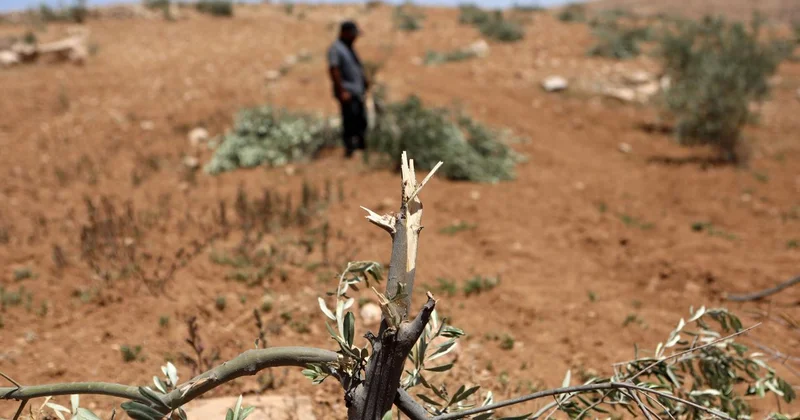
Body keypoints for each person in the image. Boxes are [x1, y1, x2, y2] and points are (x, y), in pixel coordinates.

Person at [327, 20, 370, 158]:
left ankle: (361, 148)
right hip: (347, 91)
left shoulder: (349, 48)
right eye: (352, 34)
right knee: (350, 121)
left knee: (361, 120)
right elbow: (334, 69)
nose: (355, 37)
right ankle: (350, 150)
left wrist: (364, 81)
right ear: (344, 33)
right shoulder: (336, 48)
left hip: (357, 90)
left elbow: (356, 68)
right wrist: (342, 90)